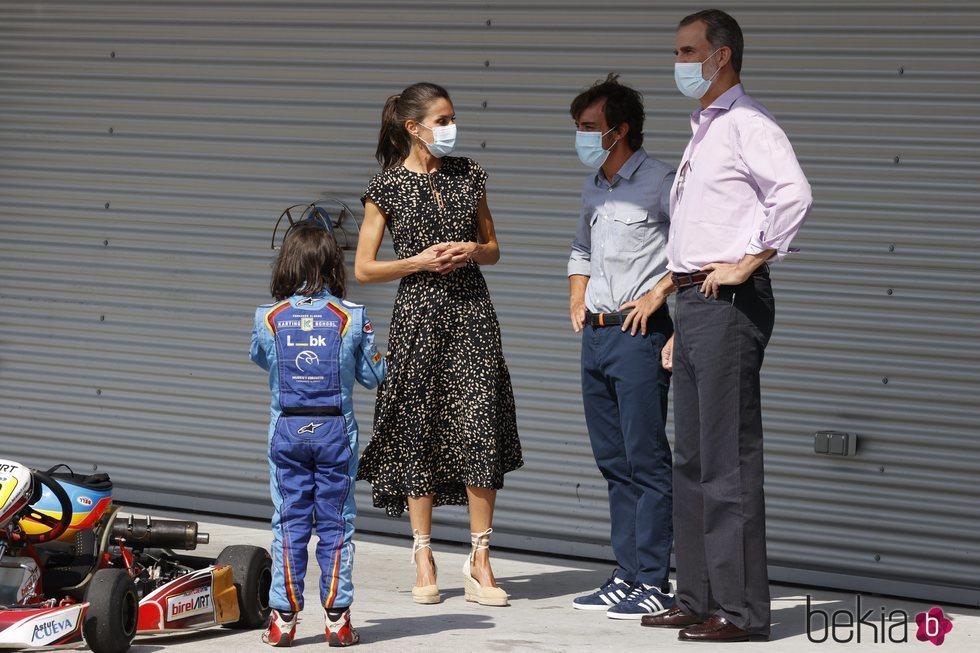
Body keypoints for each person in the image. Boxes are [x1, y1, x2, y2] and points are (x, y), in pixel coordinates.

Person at [639, 9, 812, 642]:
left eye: (688, 51)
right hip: (696, 305)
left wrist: (750, 260)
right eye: (678, 52)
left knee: (727, 462)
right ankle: (698, 596)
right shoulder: (703, 131)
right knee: (691, 459)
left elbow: (793, 194)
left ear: (722, 56)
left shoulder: (747, 124)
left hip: (727, 304)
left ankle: (741, 612)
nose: (679, 62)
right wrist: (684, 317)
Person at [354, 82, 523, 607]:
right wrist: (418, 262)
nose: (451, 127)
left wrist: (473, 248)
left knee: (478, 427)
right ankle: (423, 553)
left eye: (453, 118)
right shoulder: (385, 188)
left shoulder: (469, 174)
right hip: (418, 317)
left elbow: (494, 248)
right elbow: (362, 268)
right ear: (413, 127)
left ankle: (480, 558)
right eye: (442, 119)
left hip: (472, 312)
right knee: (417, 427)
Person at [566, 74, 677, 620]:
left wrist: (658, 297)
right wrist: (576, 298)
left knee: (646, 460)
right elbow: (581, 246)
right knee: (613, 461)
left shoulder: (661, 181)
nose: (581, 136)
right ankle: (626, 573)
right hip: (598, 334)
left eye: (589, 127)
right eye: (578, 127)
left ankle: (654, 581)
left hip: (638, 336)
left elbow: (692, 251)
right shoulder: (594, 185)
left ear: (620, 130)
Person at [250, 221, 386, 647]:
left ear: (287, 262)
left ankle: (282, 622)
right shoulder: (352, 317)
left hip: (286, 429)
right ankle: (337, 621)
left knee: (288, 522)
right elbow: (374, 374)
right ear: (331, 265)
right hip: (335, 433)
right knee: (336, 525)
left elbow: (263, 361)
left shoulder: (267, 318)